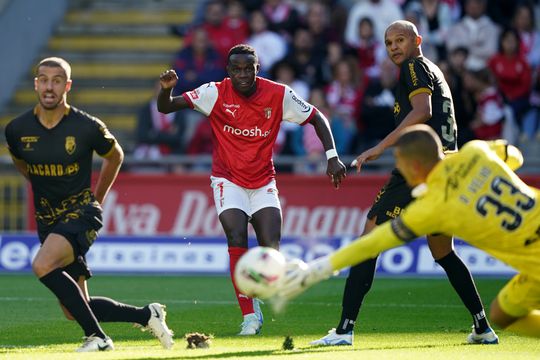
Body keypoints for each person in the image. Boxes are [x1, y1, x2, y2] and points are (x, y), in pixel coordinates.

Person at [309, 20, 497, 346]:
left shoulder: (414, 66)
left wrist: (379, 148)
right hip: (445, 173)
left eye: (400, 40)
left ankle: (343, 331)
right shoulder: (433, 70)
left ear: (417, 41)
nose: (394, 47)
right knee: (442, 252)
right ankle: (483, 328)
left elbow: (422, 111)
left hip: (418, 170)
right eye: (389, 43)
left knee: (367, 243)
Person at [277, 124, 540, 339]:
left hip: (534, 259)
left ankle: (345, 330)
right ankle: (482, 328)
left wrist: (315, 270)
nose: (398, 170)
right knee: (501, 313)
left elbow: (370, 244)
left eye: (400, 164)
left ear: (414, 166)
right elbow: (514, 155)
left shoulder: (432, 207)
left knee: (506, 317)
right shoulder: (476, 151)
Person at [157, 44, 347, 335]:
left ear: (258, 68)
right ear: (228, 71)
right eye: (237, 69)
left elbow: (317, 117)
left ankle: (255, 290)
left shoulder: (279, 94)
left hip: (263, 182)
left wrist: (332, 156)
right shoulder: (214, 92)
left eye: (249, 68)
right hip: (227, 179)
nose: (243, 74)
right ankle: (249, 315)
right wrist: (165, 89)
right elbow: (166, 107)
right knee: (235, 236)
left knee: (271, 247)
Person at [3, 57, 174, 352]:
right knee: (74, 308)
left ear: (67, 86)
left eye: (57, 80)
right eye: (43, 79)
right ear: (35, 84)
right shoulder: (17, 130)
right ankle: (148, 315)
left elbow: (115, 156)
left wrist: (97, 199)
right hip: (48, 218)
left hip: (81, 212)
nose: (49, 86)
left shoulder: (86, 126)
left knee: (42, 264)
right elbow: (22, 164)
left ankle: (99, 338)